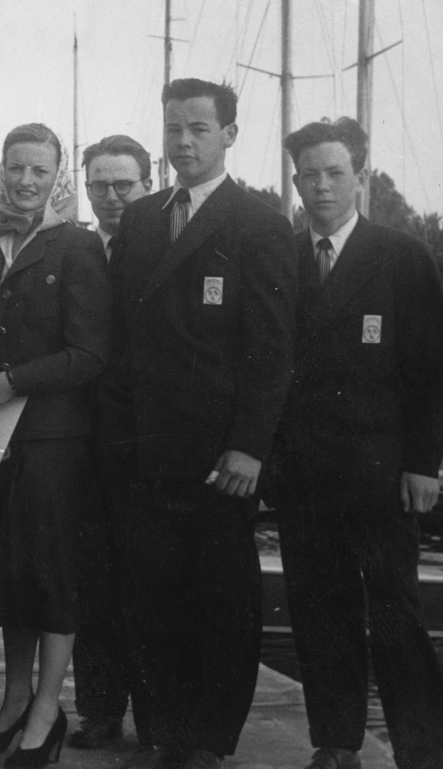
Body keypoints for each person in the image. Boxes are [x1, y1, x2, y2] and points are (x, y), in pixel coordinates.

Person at [95, 78, 298, 769]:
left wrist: (249, 445)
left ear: (229, 136)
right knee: (152, 595)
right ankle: (163, 734)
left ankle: (209, 740)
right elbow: (121, 338)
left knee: (220, 598)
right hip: (146, 444)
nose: (183, 142)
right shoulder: (144, 219)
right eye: (174, 128)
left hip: (218, 453)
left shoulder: (260, 224)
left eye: (199, 129)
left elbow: (272, 350)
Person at [268, 117, 443, 769]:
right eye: (308, 175)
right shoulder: (281, 258)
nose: (321, 186)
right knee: (319, 613)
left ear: (361, 178)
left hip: (379, 475)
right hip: (304, 476)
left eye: (335, 173)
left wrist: (424, 464)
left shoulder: (401, 257)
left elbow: (427, 371)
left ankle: (422, 748)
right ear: (294, 182)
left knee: (397, 615)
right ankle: (336, 742)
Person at [0, 124, 110, 768]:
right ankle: (14, 701)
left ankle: (47, 713)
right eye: (16, 169)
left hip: (50, 438)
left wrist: (14, 381)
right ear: (1, 173)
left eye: (39, 173)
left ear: (58, 180)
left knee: (50, 577)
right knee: (9, 576)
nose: (25, 182)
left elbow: (89, 353)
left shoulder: (75, 248)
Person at [69, 133, 154, 751]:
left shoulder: (161, 244)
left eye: (124, 184)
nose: (112, 196)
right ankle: (100, 710)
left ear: (146, 184)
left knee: (146, 582)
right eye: (100, 185)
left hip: (146, 437)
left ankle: (157, 718)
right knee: (91, 578)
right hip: (80, 435)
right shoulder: (75, 247)